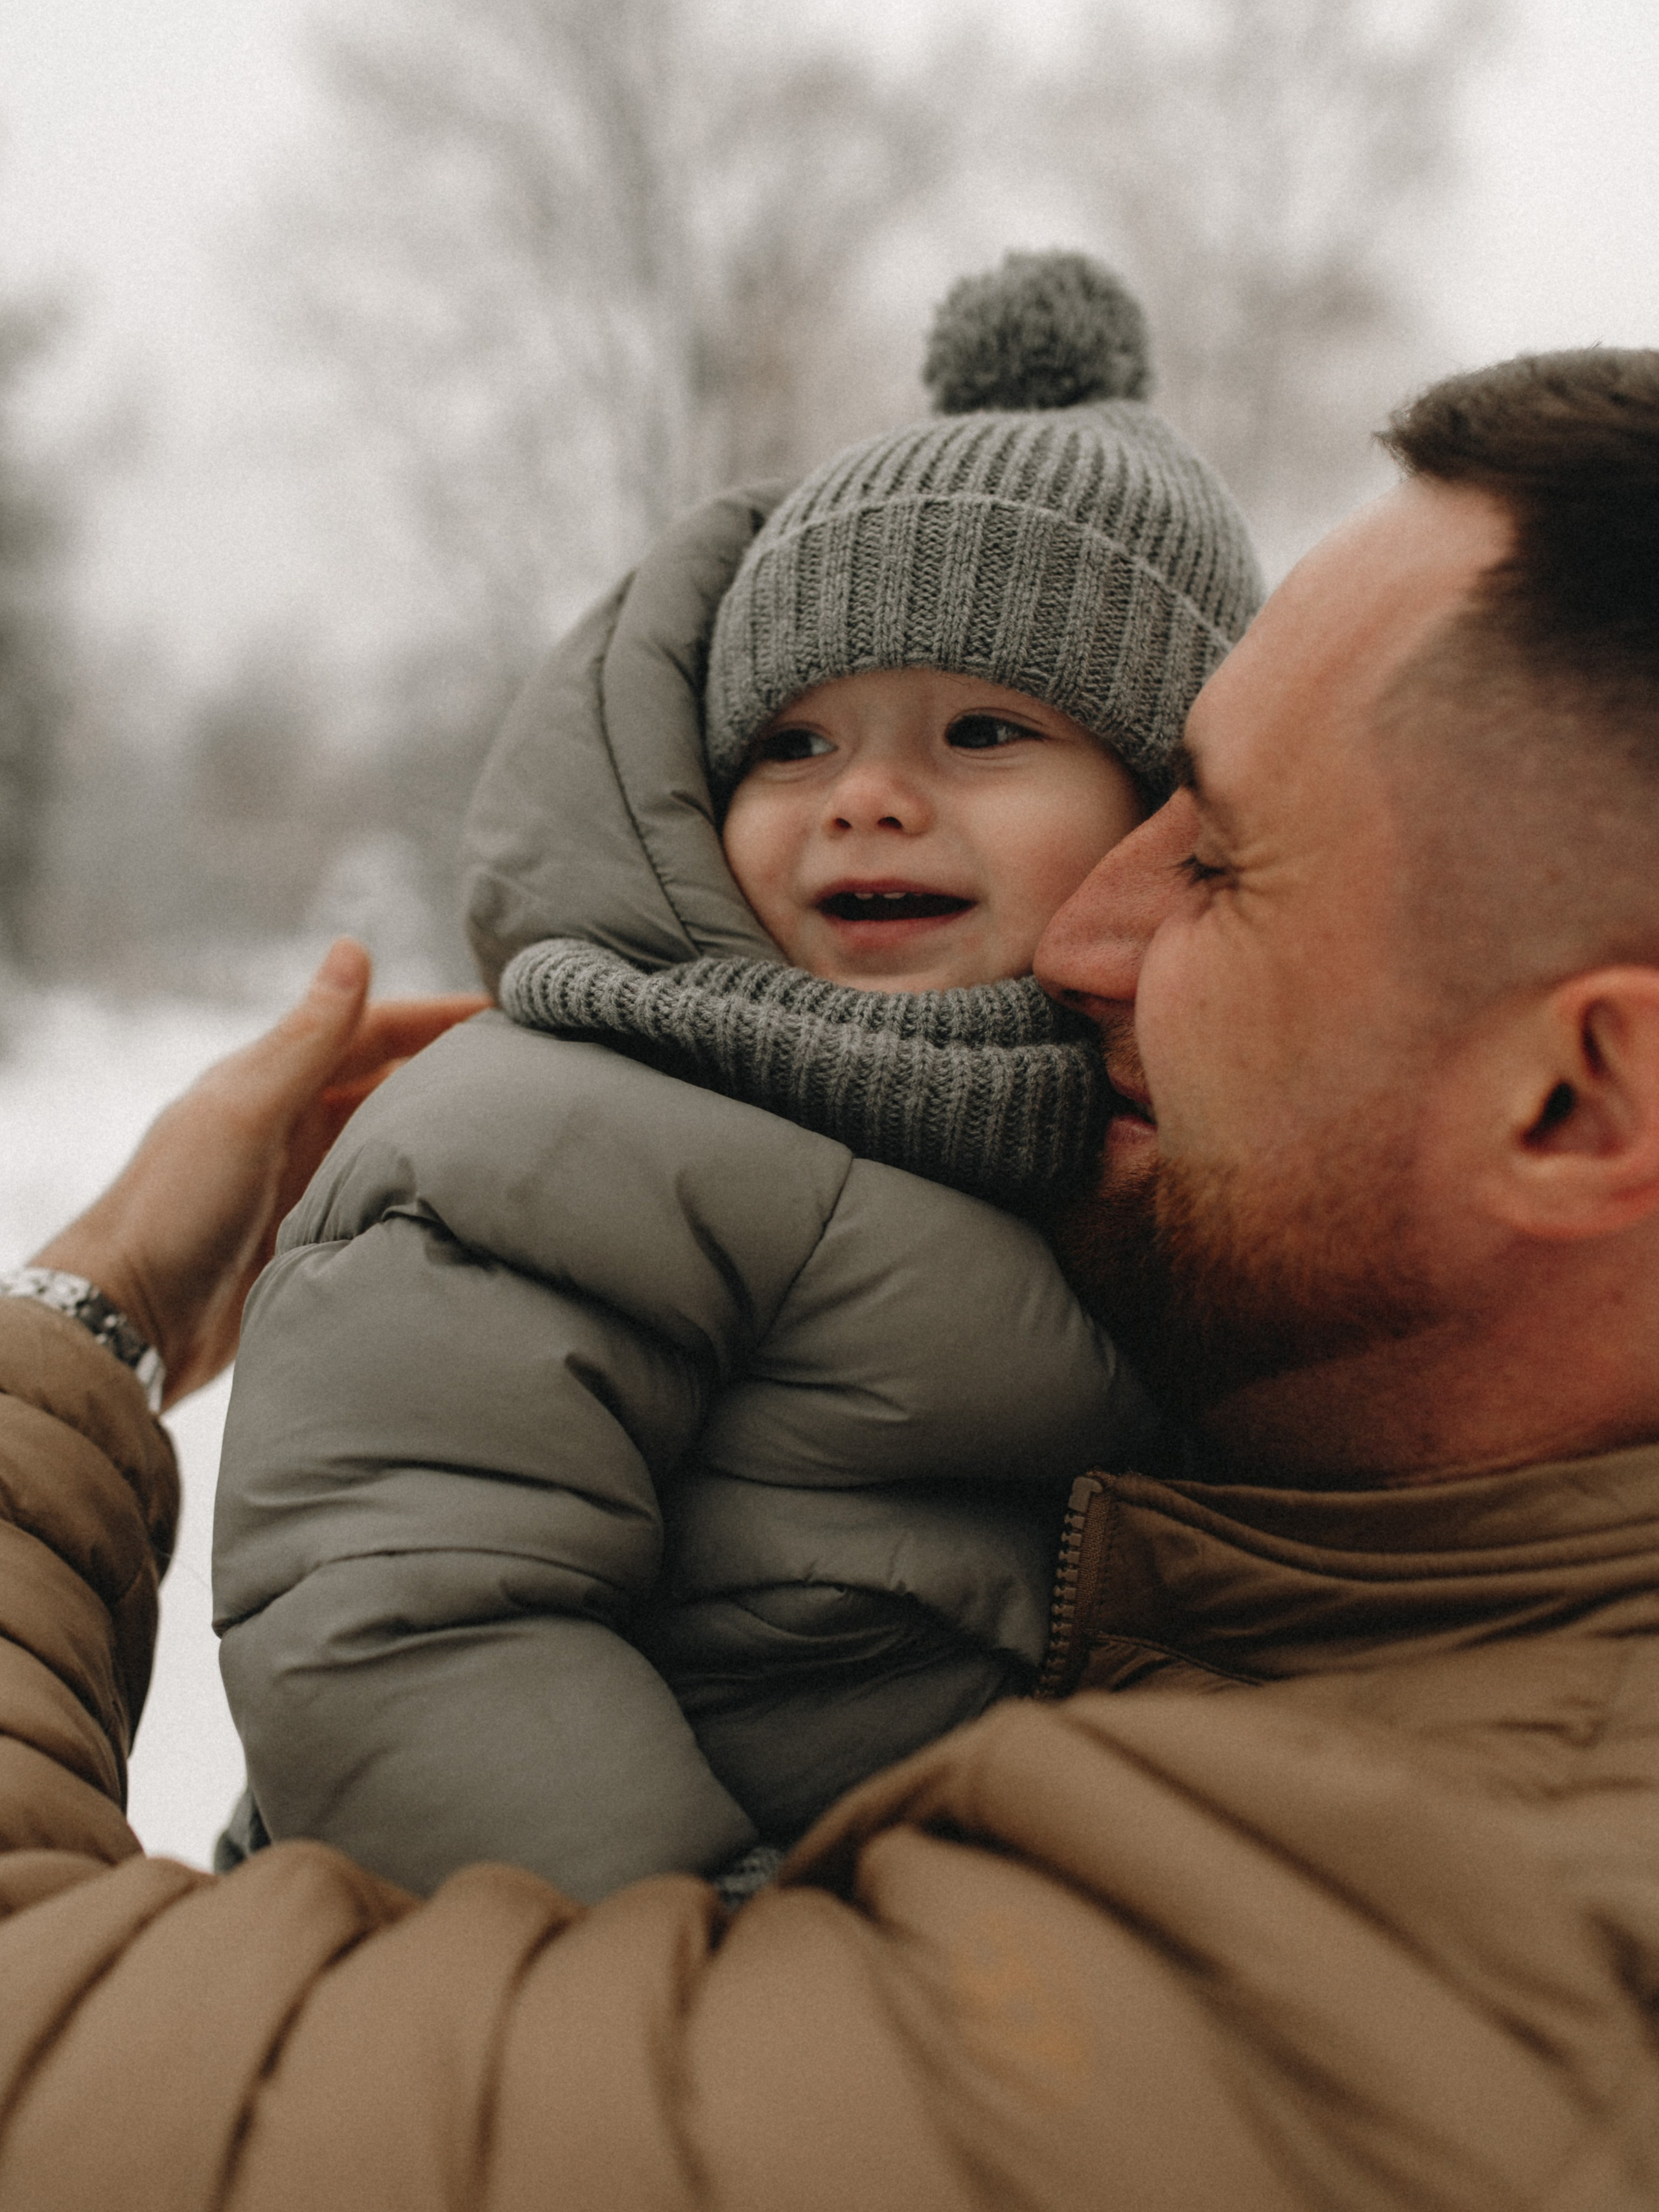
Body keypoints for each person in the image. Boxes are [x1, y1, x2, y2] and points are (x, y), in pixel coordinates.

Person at [4, 346, 1659, 2210]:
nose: (1093, 931)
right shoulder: (1321, 1382)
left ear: (1577, 1094)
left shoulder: (1410, 1992)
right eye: (792, 741)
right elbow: (401, 1588)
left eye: (1215, 860)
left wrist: (81, 1315)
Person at [209, 251, 1260, 1904]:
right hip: (543, 2009)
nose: (867, 799)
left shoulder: (1141, 1159)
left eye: (982, 732)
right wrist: (704, 1962)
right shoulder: (569, 1128)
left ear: (1159, 812)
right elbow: (400, 1615)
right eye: (793, 743)